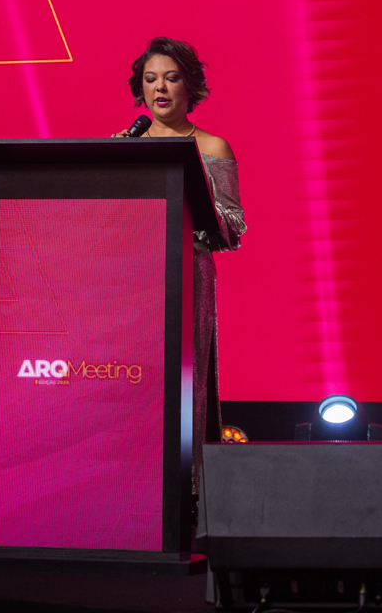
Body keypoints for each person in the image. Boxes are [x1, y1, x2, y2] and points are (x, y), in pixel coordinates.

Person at [113, 36, 246, 483]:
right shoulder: (127, 145)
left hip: (188, 273)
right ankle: (128, 476)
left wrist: (194, 190)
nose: (160, 88)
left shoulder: (211, 148)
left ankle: (180, 485)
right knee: (129, 376)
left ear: (190, 86)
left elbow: (233, 227)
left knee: (181, 378)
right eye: (151, 79)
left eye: (171, 78)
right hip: (133, 280)